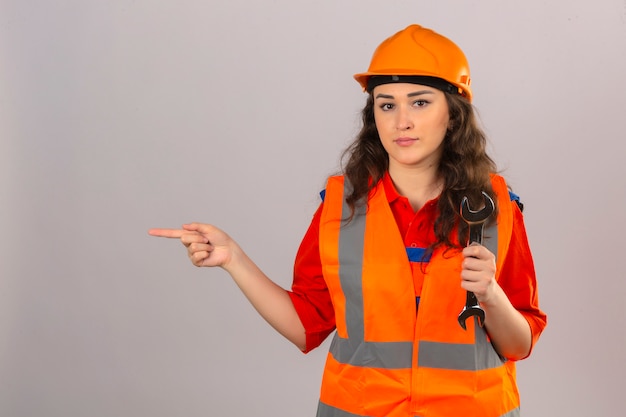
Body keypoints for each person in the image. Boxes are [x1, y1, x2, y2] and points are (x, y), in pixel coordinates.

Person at [149, 24, 547, 417]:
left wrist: (491, 295)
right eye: (387, 104)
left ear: (453, 115)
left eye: (420, 102)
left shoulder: (495, 208)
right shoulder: (341, 207)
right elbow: (305, 326)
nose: (401, 121)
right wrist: (233, 259)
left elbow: (519, 344)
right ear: (374, 114)